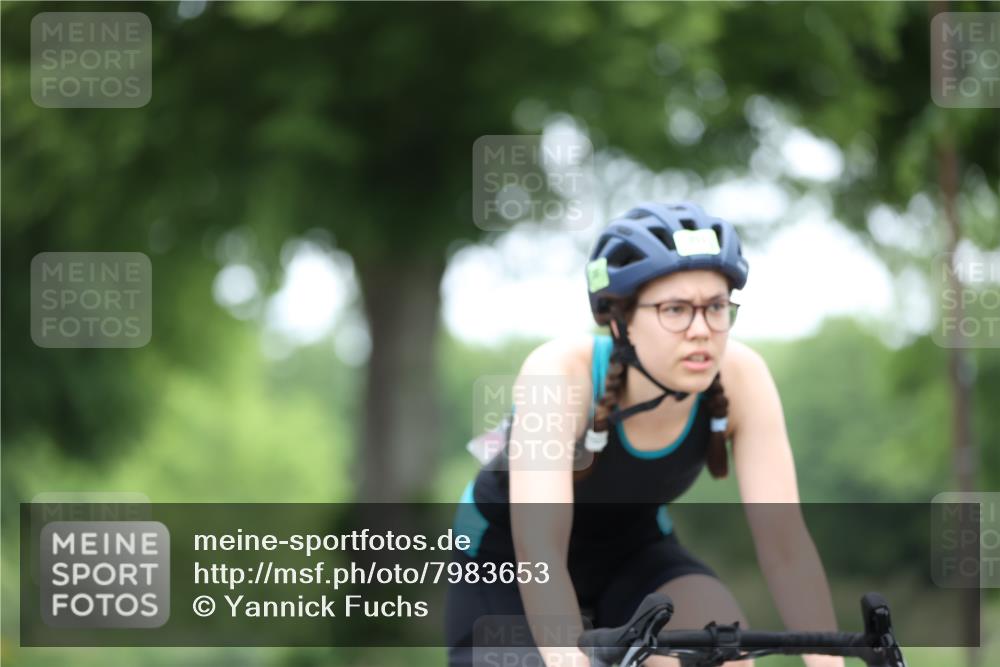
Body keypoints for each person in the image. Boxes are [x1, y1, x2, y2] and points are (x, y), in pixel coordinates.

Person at [445, 202, 843, 667]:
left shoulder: (743, 377)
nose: (702, 331)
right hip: (508, 560)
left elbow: (785, 546)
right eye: (675, 309)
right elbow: (541, 550)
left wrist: (827, 663)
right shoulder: (558, 374)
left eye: (716, 307)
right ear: (621, 319)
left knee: (725, 654)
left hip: (631, 553)